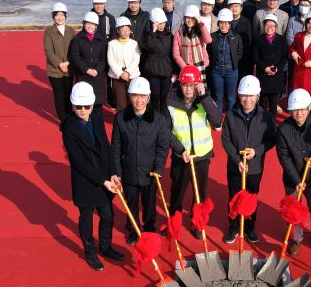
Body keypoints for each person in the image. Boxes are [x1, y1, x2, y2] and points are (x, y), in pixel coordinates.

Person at [61, 82, 123, 271]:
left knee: (108, 215)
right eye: (78, 106)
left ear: (92, 105)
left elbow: (106, 146)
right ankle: (90, 252)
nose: (83, 110)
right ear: (73, 106)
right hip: (85, 181)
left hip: (104, 176)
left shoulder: (96, 117)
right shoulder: (68, 128)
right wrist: (103, 181)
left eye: (86, 106)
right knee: (86, 219)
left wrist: (113, 172)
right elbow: (78, 162)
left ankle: (105, 246)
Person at [111, 77, 171, 245]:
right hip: (128, 169)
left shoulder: (159, 120)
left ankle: (149, 228)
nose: (139, 100)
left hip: (150, 172)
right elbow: (115, 147)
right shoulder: (121, 118)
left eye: (143, 96)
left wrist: (158, 169)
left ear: (149, 97)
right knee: (131, 203)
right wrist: (116, 171)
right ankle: (133, 230)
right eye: (135, 96)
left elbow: (162, 147)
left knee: (149, 204)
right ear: (130, 96)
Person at [221, 75, 277, 244]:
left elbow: (271, 139)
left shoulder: (266, 116)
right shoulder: (231, 115)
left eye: (251, 95)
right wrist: (237, 160)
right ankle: (233, 227)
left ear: (257, 96)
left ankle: (250, 227)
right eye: (244, 95)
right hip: (235, 166)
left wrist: (257, 151)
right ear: (238, 95)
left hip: (255, 167)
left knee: (251, 198)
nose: (247, 99)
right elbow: (225, 140)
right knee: (234, 196)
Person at [276, 89, 311, 255]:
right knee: (293, 210)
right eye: (295, 110)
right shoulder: (283, 129)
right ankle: (295, 238)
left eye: (302, 109)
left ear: (309, 108)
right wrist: (296, 180)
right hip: (292, 179)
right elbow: (284, 157)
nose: (299, 113)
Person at [167, 65, 221, 237]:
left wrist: (204, 96)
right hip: (181, 156)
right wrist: (179, 149)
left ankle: (197, 222)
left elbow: (217, 121)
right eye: (185, 85)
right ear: (180, 84)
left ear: (198, 84)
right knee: (177, 193)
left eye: (191, 85)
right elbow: (166, 132)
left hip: (202, 155)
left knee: (200, 194)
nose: (188, 89)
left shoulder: (205, 100)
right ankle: (174, 223)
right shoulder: (171, 102)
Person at [69, 11, 107, 126]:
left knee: (97, 106)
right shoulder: (77, 39)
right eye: (88, 23)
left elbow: (104, 57)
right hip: (83, 76)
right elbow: (75, 57)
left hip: (97, 77)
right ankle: (83, 126)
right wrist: (86, 69)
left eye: (93, 24)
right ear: (84, 24)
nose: (90, 26)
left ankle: (98, 126)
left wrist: (97, 70)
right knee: (83, 104)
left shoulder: (101, 40)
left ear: (96, 26)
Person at [251, 14, 288, 118]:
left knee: (273, 103)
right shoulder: (258, 39)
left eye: (272, 26)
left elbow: (285, 56)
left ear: (276, 27)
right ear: (263, 26)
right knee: (262, 102)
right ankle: (261, 122)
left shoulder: (281, 39)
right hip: (263, 75)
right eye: (267, 25)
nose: (270, 28)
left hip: (276, 76)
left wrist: (277, 68)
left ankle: (272, 122)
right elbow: (255, 56)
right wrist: (265, 68)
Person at [208, 8, 243, 116]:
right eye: (221, 23)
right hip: (217, 71)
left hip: (231, 71)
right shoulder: (212, 36)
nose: (224, 25)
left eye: (226, 23)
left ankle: (230, 119)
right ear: (218, 23)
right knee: (218, 96)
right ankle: (217, 119)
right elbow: (209, 52)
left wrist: (234, 63)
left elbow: (240, 52)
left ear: (230, 24)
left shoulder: (236, 37)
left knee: (230, 97)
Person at [43, 2, 74, 122]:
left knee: (68, 93)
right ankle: (63, 119)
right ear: (53, 16)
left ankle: (69, 115)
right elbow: (48, 50)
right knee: (59, 95)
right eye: (57, 15)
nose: (59, 18)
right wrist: (60, 64)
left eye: (62, 15)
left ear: (65, 16)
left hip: (69, 68)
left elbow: (74, 49)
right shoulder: (49, 31)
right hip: (54, 70)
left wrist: (68, 63)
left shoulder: (71, 31)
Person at [172, 4, 213, 88]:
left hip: (199, 66)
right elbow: (176, 54)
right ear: (184, 18)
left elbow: (208, 40)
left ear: (196, 19)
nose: (190, 20)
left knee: (199, 90)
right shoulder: (178, 33)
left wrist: (201, 25)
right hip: (185, 67)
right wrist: (185, 67)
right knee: (187, 89)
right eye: (188, 18)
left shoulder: (200, 31)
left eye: (193, 18)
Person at [142, 8, 174, 114]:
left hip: (166, 69)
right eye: (159, 23)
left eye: (163, 23)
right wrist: (153, 31)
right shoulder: (149, 35)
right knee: (155, 96)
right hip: (153, 69)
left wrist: (175, 71)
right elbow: (148, 45)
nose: (161, 25)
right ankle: (155, 116)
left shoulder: (169, 35)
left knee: (165, 97)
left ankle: (164, 117)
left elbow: (173, 53)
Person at [107, 16, 141, 112]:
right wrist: (120, 73)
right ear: (118, 30)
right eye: (122, 28)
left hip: (132, 76)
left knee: (133, 102)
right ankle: (122, 120)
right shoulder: (112, 43)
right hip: (117, 77)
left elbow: (136, 59)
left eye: (127, 28)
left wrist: (127, 72)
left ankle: (133, 120)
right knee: (120, 103)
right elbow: (111, 60)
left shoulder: (134, 43)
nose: (125, 31)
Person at [228, 0, 253, 82]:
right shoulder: (225, 22)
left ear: (241, 8)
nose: (234, 8)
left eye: (236, 6)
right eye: (232, 6)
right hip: (228, 59)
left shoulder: (246, 22)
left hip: (242, 59)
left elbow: (248, 42)